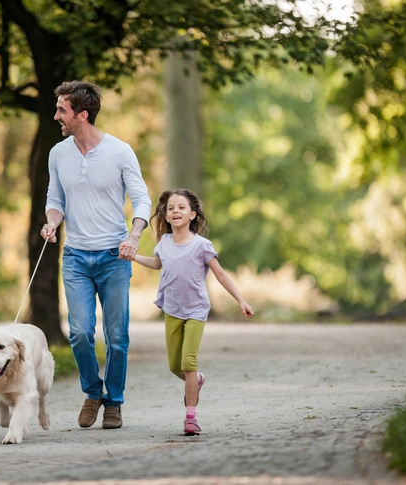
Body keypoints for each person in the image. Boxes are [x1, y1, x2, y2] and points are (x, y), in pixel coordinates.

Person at [41, 80, 152, 430]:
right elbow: (55, 199)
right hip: (75, 257)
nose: (56, 115)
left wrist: (134, 235)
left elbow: (142, 199)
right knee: (79, 332)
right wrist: (52, 223)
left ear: (82, 115)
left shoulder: (120, 151)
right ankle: (93, 392)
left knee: (117, 337)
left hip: (113, 257)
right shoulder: (58, 153)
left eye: (62, 110)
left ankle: (114, 402)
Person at [133, 188, 254, 436]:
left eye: (181, 207)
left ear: (192, 214)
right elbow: (157, 264)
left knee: (188, 363)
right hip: (172, 309)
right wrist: (133, 256)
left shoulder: (201, 245)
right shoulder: (164, 243)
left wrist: (240, 300)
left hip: (196, 310)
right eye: (171, 209)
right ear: (166, 217)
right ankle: (196, 379)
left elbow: (220, 274)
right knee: (174, 366)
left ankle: (190, 418)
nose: (175, 211)